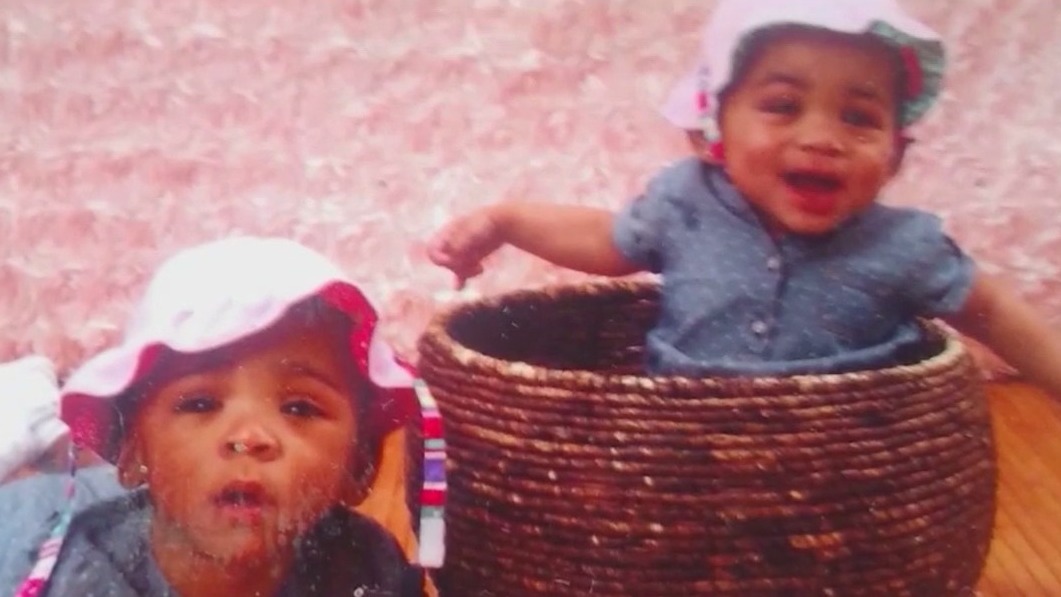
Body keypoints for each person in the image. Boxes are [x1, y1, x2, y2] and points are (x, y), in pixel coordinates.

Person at [427, 0, 1061, 396]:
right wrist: (506, 221)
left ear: (894, 155)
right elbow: (607, 241)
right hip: (688, 442)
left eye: (859, 118)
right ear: (714, 133)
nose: (822, 138)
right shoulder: (687, 201)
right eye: (782, 106)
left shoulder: (905, 245)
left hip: (847, 464)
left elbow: (992, 310)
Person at [0, 237, 432, 596]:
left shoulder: (367, 567)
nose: (248, 437)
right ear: (130, 452)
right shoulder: (81, 581)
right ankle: (31, 403)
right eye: (200, 404)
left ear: (360, 466)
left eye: (300, 408)